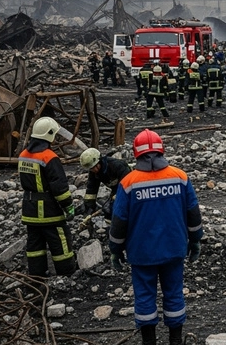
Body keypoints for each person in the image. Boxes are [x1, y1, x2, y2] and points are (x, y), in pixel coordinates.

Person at [109, 129, 203, 345]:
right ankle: (176, 340)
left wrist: (115, 250)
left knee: (144, 297)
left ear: (136, 153)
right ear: (162, 150)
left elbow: (119, 221)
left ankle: (149, 341)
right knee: (174, 294)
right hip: (174, 249)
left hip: (142, 253)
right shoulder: (180, 177)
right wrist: (195, 239)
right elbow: (193, 212)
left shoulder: (129, 183)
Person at [18, 117, 77, 277]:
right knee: (60, 242)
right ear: (49, 135)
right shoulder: (49, 157)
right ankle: (67, 275)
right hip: (49, 212)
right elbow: (59, 187)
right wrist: (68, 206)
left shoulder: (23, 155)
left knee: (35, 246)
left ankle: (37, 276)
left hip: (29, 211)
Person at [79, 147, 131, 219]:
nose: (95, 170)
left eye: (96, 166)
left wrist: (118, 195)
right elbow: (91, 191)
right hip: (116, 189)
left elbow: (128, 182)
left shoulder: (117, 166)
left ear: (100, 161)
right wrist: (89, 210)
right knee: (109, 210)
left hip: (129, 188)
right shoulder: (94, 173)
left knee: (120, 208)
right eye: (91, 168)